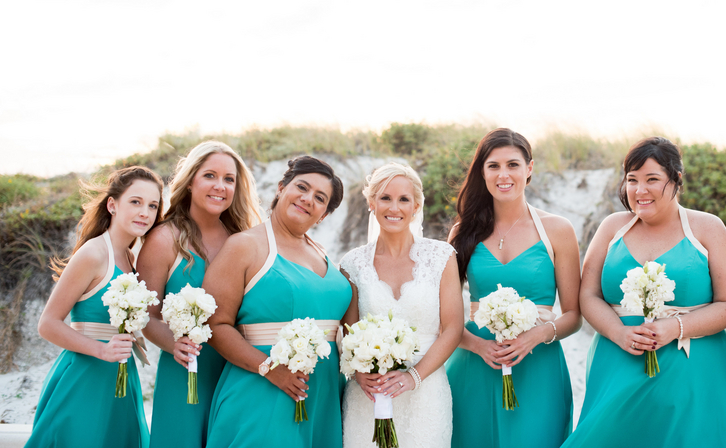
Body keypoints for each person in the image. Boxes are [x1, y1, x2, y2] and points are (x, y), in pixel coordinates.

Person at [563, 137, 726, 448]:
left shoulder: (708, 228)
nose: (640, 190)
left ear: (676, 180)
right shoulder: (612, 227)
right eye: (632, 180)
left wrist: (674, 328)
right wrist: (618, 332)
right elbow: (589, 295)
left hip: (692, 369)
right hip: (618, 359)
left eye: (652, 179)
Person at [445, 128, 582, 448]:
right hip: (474, 365)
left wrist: (535, 336)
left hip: (538, 366)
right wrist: (478, 346)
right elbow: (445, 315)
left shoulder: (558, 230)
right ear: (482, 172)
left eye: (513, 165)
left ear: (529, 169)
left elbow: (574, 315)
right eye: (493, 166)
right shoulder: (462, 233)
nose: (503, 174)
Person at [203, 156, 351, 448]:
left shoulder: (323, 253)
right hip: (263, 392)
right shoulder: (244, 246)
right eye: (302, 187)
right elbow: (215, 324)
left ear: (323, 215)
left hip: (323, 399)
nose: (308, 199)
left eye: (320, 198)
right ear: (281, 188)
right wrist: (270, 368)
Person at [26, 166, 164, 448]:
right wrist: (102, 349)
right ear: (112, 205)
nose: (145, 213)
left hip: (121, 380)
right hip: (85, 379)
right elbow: (48, 324)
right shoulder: (93, 253)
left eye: (153, 206)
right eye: (135, 202)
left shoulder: (129, 257)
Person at [137, 141, 262, 448]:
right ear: (191, 181)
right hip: (185, 373)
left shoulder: (244, 241)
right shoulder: (163, 239)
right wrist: (174, 344)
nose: (220, 186)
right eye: (210, 175)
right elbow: (146, 315)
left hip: (236, 373)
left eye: (229, 179)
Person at [340, 162, 463, 448]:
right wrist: (360, 374)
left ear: (416, 205)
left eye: (403, 199)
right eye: (385, 197)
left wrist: (413, 377)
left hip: (427, 392)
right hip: (369, 394)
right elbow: (350, 332)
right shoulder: (352, 264)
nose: (394, 207)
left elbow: (453, 328)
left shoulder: (441, 257)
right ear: (371, 202)